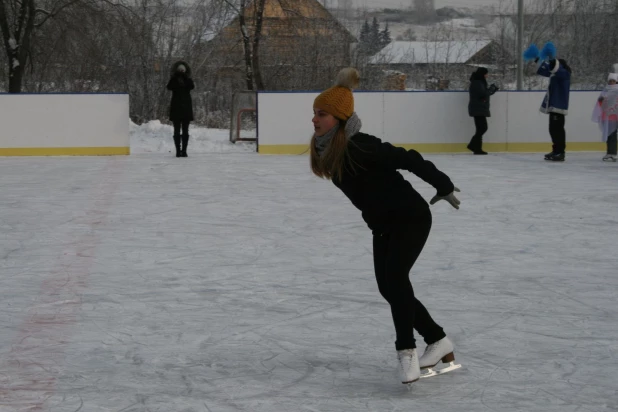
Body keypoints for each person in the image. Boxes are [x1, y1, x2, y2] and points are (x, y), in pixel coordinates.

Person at [310, 68, 461, 385]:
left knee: (395, 279)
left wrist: (442, 184)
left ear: (338, 118)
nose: (314, 120)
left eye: (321, 114)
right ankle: (437, 339)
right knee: (388, 287)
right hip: (382, 225)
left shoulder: (362, 146)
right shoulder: (328, 148)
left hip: (410, 217)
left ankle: (406, 352)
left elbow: (409, 158)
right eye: (315, 114)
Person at [536, 58, 571, 162]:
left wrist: (552, 61)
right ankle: (556, 150)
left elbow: (556, 69)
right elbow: (543, 71)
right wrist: (538, 60)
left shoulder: (565, 74)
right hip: (553, 106)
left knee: (558, 131)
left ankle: (560, 152)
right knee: (553, 130)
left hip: (558, 106)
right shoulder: (556, 74)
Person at [467, 67, 498, 155]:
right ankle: (473, 146)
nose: (487, 76)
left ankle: (477, 148)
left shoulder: (478, 81)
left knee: (480, 129)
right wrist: (491, 89)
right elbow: (482, 94)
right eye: (486, 74)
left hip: (478, 108)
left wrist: (490, 90)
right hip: (478, 108)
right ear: (482, 74)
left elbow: (483, 94)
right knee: (483, 128)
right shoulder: (477, 82)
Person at [167, 61, 195, 157]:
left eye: (183, 70)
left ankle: (184, 150)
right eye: (180, 70)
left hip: (185, 109)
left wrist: (185, 77)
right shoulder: (174, 80)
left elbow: (191, 86)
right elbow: (169, 87)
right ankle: (178, 151)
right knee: (177, 131)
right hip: (177, 109)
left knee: (185, 131)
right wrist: (175, 77)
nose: (181, 72)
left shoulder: (188, 80)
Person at [592, 72, 618, 162]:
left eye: (613, 81)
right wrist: (600, 100)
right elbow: (600, 103)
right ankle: (609, 152)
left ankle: (613, 153)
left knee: (613, 135)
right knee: (609, 135)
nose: (611, 82)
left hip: (614, 116)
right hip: (606, 116)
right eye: (610, 81)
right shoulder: (605, 90)